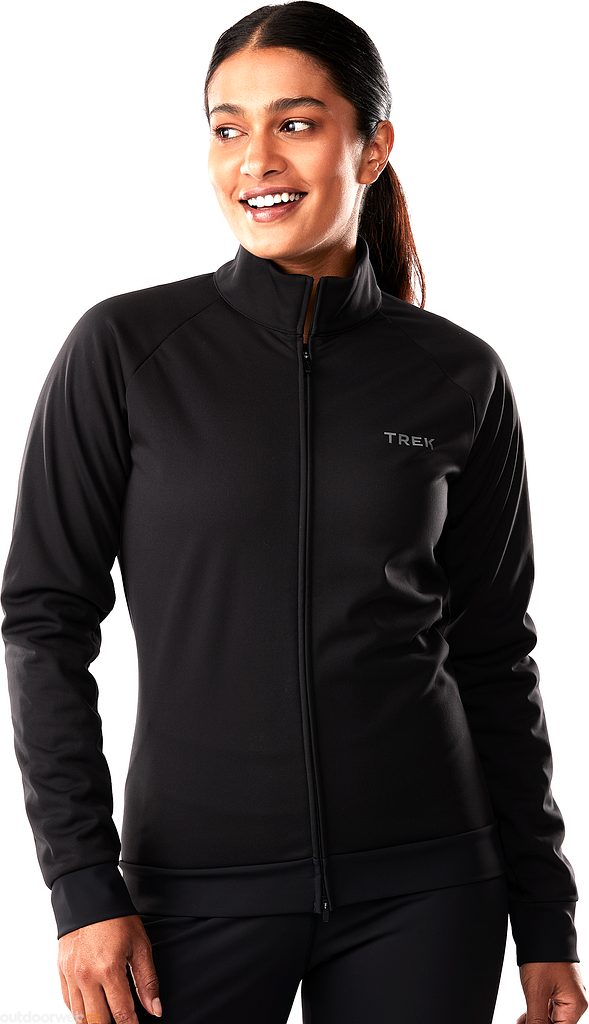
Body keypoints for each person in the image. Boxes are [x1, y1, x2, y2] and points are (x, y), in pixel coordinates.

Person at [1, 2, 586, 1022]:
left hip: (429, 887)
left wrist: (546, 919)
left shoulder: (455, 373)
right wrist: (82, 884)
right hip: (188, 895)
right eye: (227, 127)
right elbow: (44, 619)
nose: (255, 160)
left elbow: (495, 651)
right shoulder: (126, 350)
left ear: (372, 148)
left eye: (297, 123)